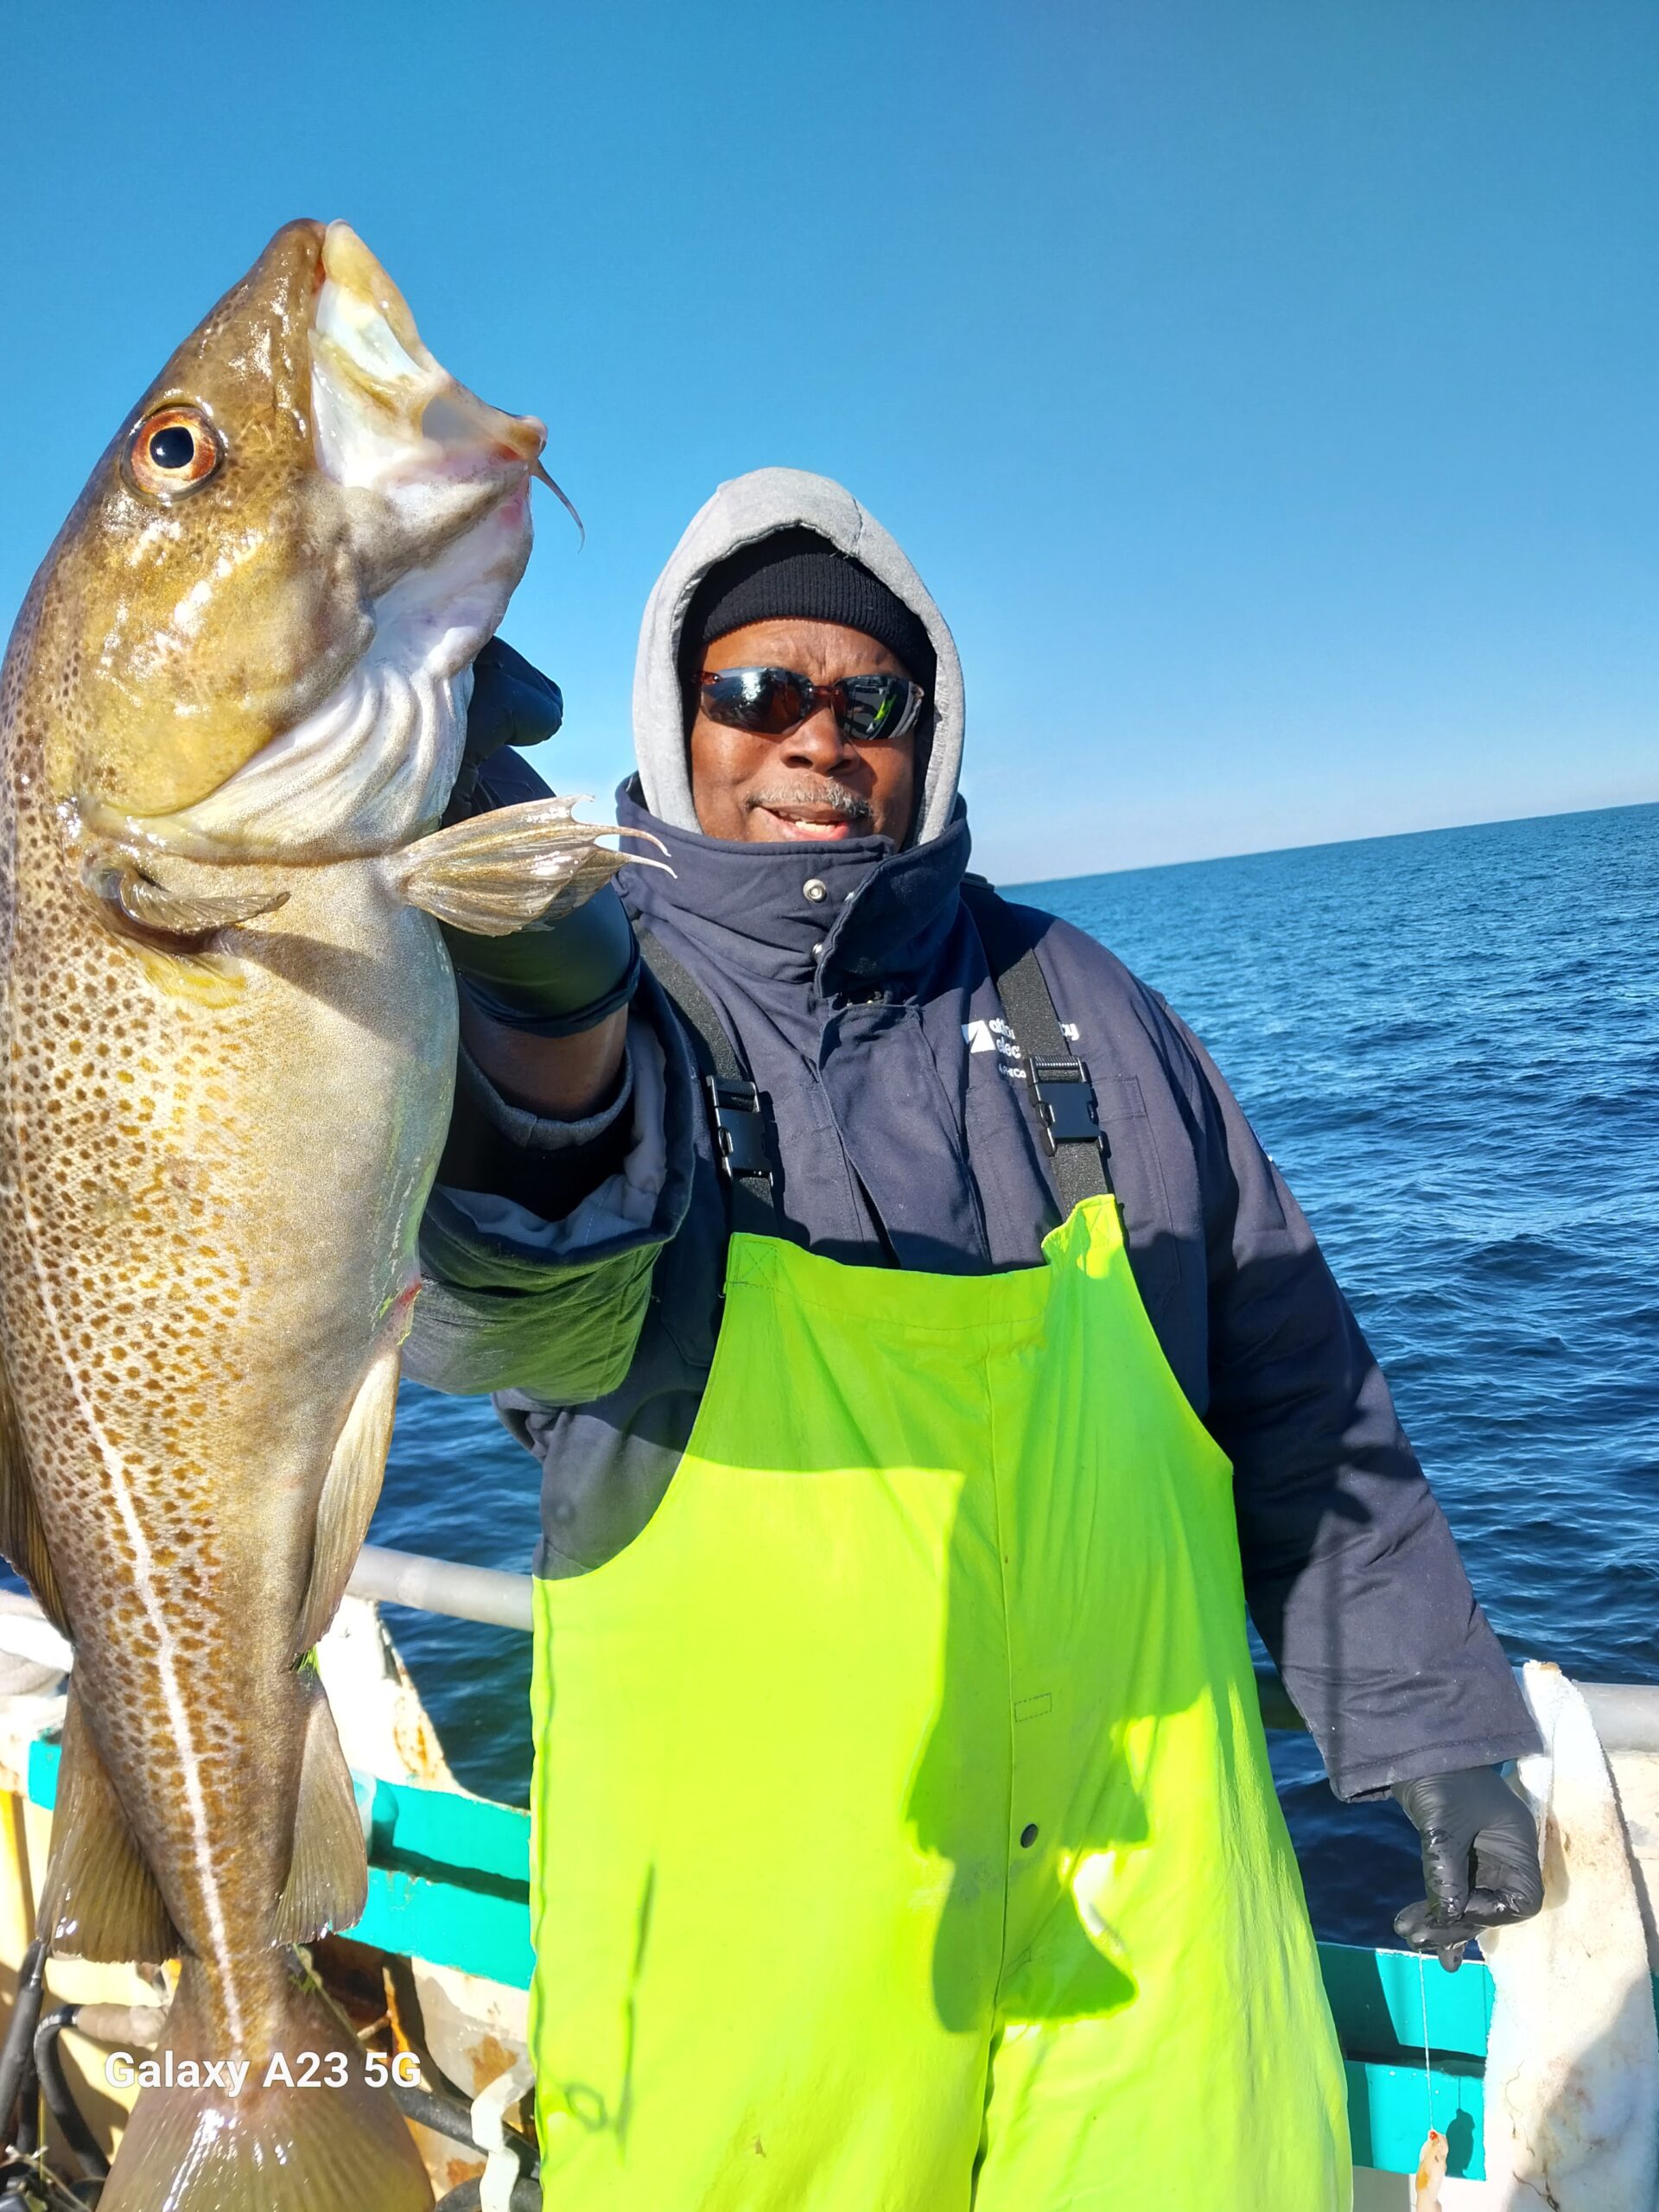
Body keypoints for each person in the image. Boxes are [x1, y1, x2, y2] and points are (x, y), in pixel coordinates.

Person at [411, 467, 1543, 2209]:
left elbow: (1300, 1387)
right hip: (754, 1993)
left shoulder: (1091, 1006)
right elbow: (525, 1302)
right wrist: (537, 1026)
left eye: (866, 700)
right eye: (756, 692)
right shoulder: (623, 995)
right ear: (678, 713)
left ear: (923, 728)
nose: (813, 740)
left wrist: (1426, 1719)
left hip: (1149, 1955)